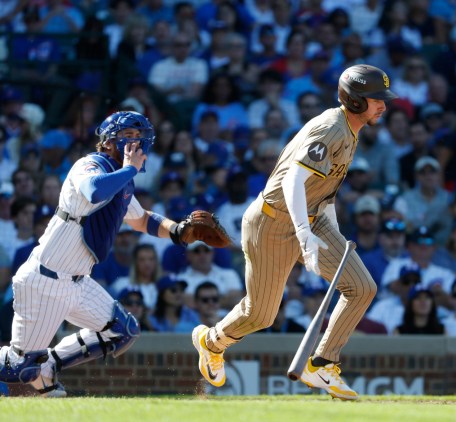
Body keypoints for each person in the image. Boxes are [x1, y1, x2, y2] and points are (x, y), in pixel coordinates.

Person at [191, 64, 397, 401]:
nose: (384, 106)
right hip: (272, 221)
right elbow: (293, 181)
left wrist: (332, 233)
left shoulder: (352, 129)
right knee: (261, 314)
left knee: (362, 287)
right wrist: (303, 234)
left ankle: (323, 363)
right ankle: (211, 342)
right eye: (377, 99)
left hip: (312, 217)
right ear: (357, 100)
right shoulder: (332, 128)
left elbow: (324, 191)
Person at [0, 111, 207, 398]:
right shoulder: (90, 164)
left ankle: (49, 367)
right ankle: (35, 368)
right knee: (19, 368)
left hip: (78, 283)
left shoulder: (121, 178)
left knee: (123, 330)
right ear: (110, 141)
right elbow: (94, 191)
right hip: (44, 281)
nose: (138, 143)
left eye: (140, 137)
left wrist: (179, 230)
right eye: (130, 136)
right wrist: (130, 169)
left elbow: (141, 218)